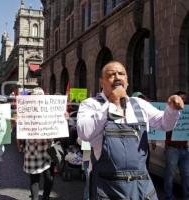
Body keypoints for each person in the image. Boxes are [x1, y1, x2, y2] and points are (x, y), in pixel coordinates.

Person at [77, 61, 184, 200]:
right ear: (102, 82)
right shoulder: (91, 104)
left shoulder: (139, 104)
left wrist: (172, 110)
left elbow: (164, 124)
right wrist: (111, 103)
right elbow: (84, 133)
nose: (117, 77)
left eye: (121, 74)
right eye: (111, 75)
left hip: (141, 187)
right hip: (107, 188)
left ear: (126, 81)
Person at [21, 87, 55, 200]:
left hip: (47, 150)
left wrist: (63, 119)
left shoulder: (50, 111)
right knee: (34, 178)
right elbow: (21, 130)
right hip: (32, 150)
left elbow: (58, 127)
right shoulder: (25, 112)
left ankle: (45, 197)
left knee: (49, 178)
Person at [164, 91, 189, 200]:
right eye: (181, 98)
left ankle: (186, 196)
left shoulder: (187, 113)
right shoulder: (169, 113)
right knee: (170, 176)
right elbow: (163, 127)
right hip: (172, 149)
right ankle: (169, 197)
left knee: (187, 175)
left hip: (185, 149)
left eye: (185, 99)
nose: (183, 101)